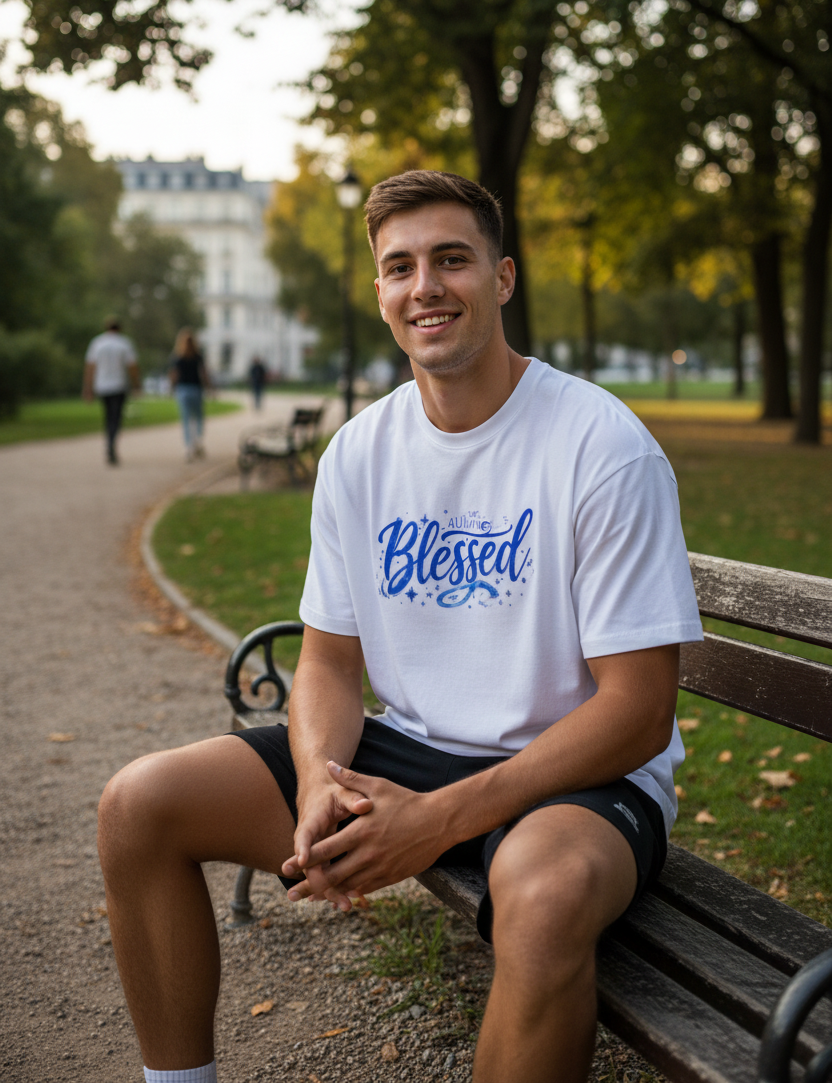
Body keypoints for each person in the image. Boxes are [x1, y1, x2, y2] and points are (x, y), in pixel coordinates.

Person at [98, 171, 703, 1083]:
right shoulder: (359, 453)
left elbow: (638, 712)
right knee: (139, 806)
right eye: (400, 266)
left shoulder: (601, 448)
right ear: (381, 295)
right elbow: (331, 664)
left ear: (502, 279)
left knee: (543, 900)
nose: (426, 285)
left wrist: (438, 820)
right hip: (414, 749)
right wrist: (315, 783)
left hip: (574, 776)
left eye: (451, 259)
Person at [83, 316, 140, 465]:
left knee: (108, 416)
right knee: (116, 417)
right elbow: (132, 366)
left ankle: (109, 443)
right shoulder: (124, 343)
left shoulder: (97, 343)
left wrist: (87, 388)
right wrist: (136, 385)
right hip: (118, 385)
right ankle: (111, 445)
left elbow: (90, 367)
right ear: (119, 328)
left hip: (102, 386)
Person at [169, 328, 211, 462]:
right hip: (196, 389)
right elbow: (204, 374)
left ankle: (188, 446)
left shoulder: (177, 357)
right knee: (198, 417)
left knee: (186, 419)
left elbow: (174, 375)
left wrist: (171, 387)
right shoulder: (198, 356)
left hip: (183, 389)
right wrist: (209, 387)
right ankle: (197, 440)